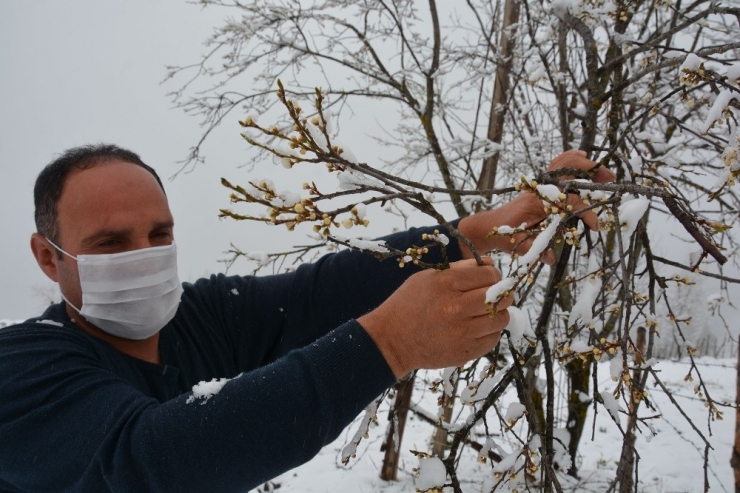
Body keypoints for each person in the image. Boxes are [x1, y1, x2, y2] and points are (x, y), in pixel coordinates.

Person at [0, 144, 614, 492]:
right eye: (110, 243)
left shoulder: (195, 318)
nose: (145, 257)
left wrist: (465, 236)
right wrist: (390, 343)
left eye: (159, 234)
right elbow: (151, 462)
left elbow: (315, 295)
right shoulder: (21, 367)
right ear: (48, 259)